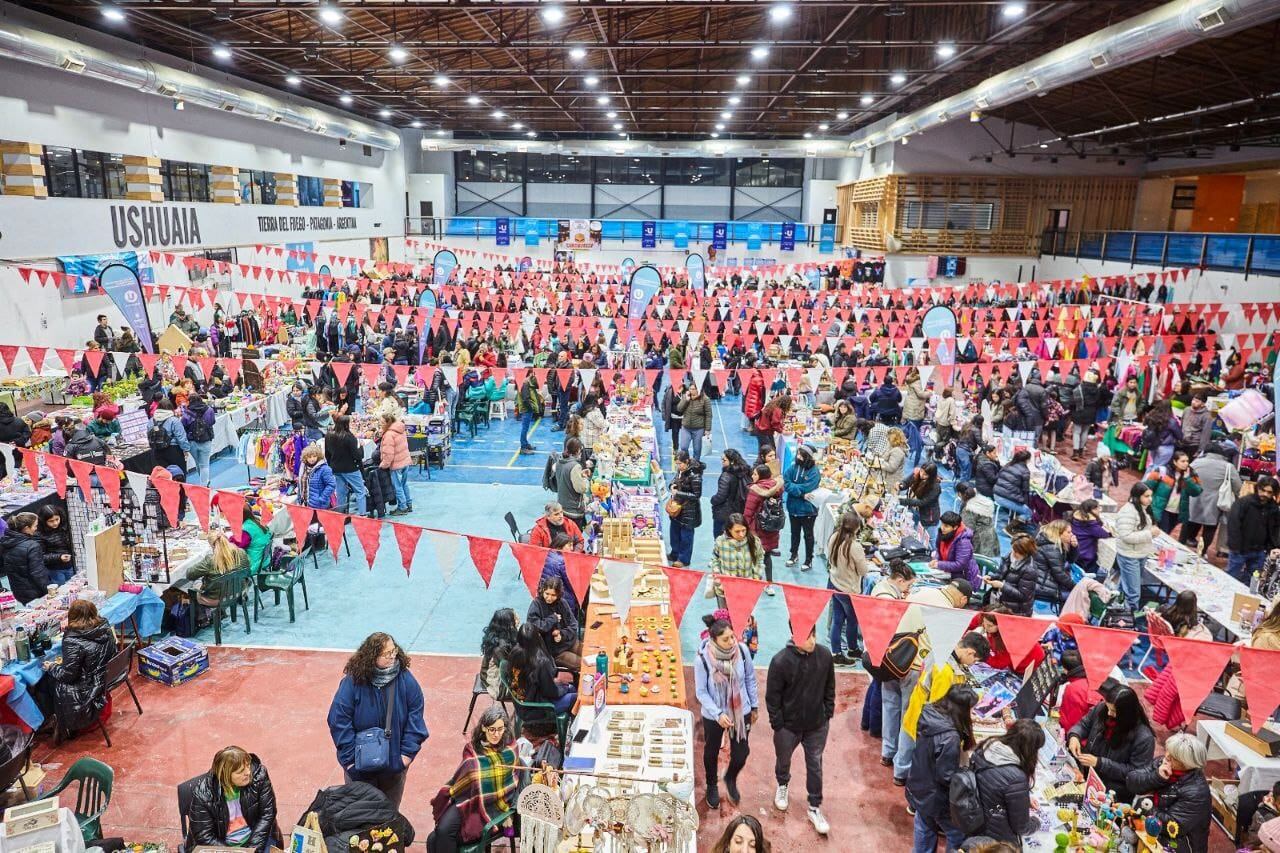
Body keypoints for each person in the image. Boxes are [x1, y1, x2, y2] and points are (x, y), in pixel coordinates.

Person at [326, 632, 429, 808]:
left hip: (393, 766)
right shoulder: (352, 682)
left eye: (393, 651)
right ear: (372, 657)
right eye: (386, 654)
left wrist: (405, 756)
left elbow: (416, 716)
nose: (392, 656)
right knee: (359, 815)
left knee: (389, 813)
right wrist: (351, 761)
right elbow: (338, 720)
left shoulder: (406, 680)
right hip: (359, 769)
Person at [766, 625, 835, 835]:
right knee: (783, 760)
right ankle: (783, 784)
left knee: (815, 765)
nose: (812, 641)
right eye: (807, 637)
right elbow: (772, 697)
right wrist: (778, 724)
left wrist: (827, 713)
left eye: (814, 635)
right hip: (788, 727)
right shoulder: (780, 661)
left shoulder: (824, 656)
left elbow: (830, 687)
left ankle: (814, 806)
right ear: (794, 635)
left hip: (816, 725)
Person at [899, 632, 991, 788]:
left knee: (906, 745)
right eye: (975, 660)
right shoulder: (946, 671)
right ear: (970, 652)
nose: (972, 663)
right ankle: (906, 780)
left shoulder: (943, 651)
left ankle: (900, 773)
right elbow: (940, 705)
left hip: (918, 707)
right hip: (926, 717)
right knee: (918, 757)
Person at [427, 706, 520, 853]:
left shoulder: (510, 747)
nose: (497, 734)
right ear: (483, 727)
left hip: (493, 806)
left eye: (500, 729)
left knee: (439, 837)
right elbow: (464, 778)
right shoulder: (473, 748)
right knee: (439, 833)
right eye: (492, 729)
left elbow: (510, 782)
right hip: (468, 797)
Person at [695, 615, 760, 808]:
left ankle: (730, 777)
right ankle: (711, 785)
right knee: (711, 750)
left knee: (741, 752)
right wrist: (717, 714)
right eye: (726, 639)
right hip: (715, 714)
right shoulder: (703, 660)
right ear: (714, 639)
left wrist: (754, 706)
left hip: (740, 710)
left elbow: (750, 678)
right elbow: (701, 692)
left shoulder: (742, 651)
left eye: (733, 637)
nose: (732, 642)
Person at [907, 684, 979, 853]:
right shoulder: (950, 736)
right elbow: (946, 776)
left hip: (919, 782)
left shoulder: (929, 712)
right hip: (937, 796)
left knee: (924, 826)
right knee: (957, 835)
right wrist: (967, 776)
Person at [1066, 685, 1155, 802]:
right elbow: (1083, 725)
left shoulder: (1144, 738)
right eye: (1108, 708)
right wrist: (1074, 736)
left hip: (1114, 793)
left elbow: (1136, 773)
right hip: (1087, 777)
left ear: (1126, 713)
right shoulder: (1102, 708)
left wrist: (1100, 763)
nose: (1109, 713)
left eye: (1114, 711)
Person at [185, 746, 281, 853]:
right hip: (221, 845)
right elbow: (204, 836)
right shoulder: (203, 794)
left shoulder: (259, 775)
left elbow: (267, 813)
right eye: (240, 772)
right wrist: (232, 851)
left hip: (257, 838)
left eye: (248, 766)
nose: (248, 772)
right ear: (225, 776)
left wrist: (251, 850)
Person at [1125, 733, 1212, 853]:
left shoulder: (1196, 792)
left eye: (1173, 757)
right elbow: (1131, 780)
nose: (1166, 756)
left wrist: (1145, 803)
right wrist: (1156, 777)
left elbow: (1171, 826)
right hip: (1151, 829)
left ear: (1186, 764)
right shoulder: (1162, 763)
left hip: (1178, 844)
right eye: (1167, 751)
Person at [39, 599, 114, 737]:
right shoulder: (104, 627)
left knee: (43, 682)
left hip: (87, 687)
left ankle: (52, 721)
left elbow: (68, 676)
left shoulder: (73, 639)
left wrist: (52, 667)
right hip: (102, 678)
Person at [970, 719, 1045, 847]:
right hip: (997, 834)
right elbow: (1021, 827)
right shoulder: (1016, 777)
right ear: (1030, 749)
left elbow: (996, 790)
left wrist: (1022, 798)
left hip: (975, 817)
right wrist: (1037, 822)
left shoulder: (988, 745)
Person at [826, 511, 869, 664]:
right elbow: (864, 571)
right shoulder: (854, 546)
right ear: (856, 527)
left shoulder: (834, 537)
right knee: (852, 620)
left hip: (834, 582)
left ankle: (836, 652)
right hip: (848, 589)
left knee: (837, 620)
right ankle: (852, 649)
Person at [507, 622, 576, 717]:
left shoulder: (513, 653)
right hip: (537, 707)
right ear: (537, 637)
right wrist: (564, 687)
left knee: (569, 687)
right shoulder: (541, 661)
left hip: (522, 702)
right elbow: (550, 692)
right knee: (576, 697)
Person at [1183, 442, 1240, 555]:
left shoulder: (1196, 462)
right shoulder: (1228, 466)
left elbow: (1187, 479)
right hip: (1214, 504)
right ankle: (1202, 553)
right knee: (1209, 529)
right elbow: (1237, 486)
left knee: (1190, 525)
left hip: (1194, 501)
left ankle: (1183, 547)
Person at [1225, 476, 1280, 585]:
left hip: (1259, 552)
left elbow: (1275, 528)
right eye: (1263, 490)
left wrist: (1274, 546)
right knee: (1230, 579)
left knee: (1251, 583)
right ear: (1258, 488)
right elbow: (1233, 524)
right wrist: (1235, 546)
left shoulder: (1273, 508)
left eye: (1269, 492)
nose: (1265, 494)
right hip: (1240, 550)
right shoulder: (1244, 502)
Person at [1114, 482, 1158, 611]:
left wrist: (1151, 534)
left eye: (1151, 496)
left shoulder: (1142, 509)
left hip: (1139, 554)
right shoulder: (1128, 512)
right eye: (1146, 496)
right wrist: (1149, 533)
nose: (1150, 499)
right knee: (1133, 593)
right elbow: (1126, 536)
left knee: (1125, 587)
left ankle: (1117, 612)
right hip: (1129, 556)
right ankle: (1129, 619)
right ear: (1137, 496)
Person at [526, 576, 580, 670]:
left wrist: (562, 635)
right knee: (583, 664)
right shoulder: (536, 605)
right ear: (542, 590)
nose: (549, 598)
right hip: (554, 651)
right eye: (547, 593)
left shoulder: (562, 603)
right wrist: (552, 619)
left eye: (553, 595)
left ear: (558, 594)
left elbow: (574, 624)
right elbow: (534, 627)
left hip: (569, 642)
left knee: (590, 656)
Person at [1145, 450, 1203, 536]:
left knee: (1165, 533)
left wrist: (1187, 479)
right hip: (1162, 509)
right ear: (1175, 462)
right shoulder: (1162, 471)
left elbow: (1197, 492)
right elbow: (1147, 487)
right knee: (1162, 533)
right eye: (1182, 461)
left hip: (1177, 512)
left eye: (1187, 461)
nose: (1186, 463)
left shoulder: (1191, 474)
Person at [744, 463, 783, 590]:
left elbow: (749, 511)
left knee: (753, 556)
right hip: (772, 528)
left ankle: (754, 583)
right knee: (767, 556)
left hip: (757, 528)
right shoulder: (777, 488)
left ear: (760, 476)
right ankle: (769, 584)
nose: (752, 476)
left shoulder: (756, 489)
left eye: (755, 474)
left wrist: (746, 529)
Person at [783, 445, 821, 572]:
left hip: (807, 510)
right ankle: (794, 555)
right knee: (794, 534)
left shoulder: (814, 472)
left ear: (807, 458)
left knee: (808, 535)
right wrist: (802, 494)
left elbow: (808, 487)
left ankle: (808, 560)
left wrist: (797, 490)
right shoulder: (793, 467)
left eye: (801, 455)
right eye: (798, 454)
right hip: (793, 508)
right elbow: (787, 483)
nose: (798, 457)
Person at [188, 529, 251, 603]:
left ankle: (202, 612)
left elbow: (189, 575)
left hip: (214, 599)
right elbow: (248, 568)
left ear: (212, 546)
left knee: (194, 583)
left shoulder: (210, 560)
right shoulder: (241, 552)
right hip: (238, 592)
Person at [1, 512, 50, 604]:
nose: (36, 528)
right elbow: (38, 574)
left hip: (18, 591)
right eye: (35, 526)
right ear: (26, 528)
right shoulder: (32, 546)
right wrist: (48, 591)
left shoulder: (4, 542)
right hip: (35, 593)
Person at [985, 533, 1039, 616]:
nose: (1013, 553)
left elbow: (1023, 596)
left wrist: (1002, 586)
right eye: (1013, 549)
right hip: (1001, 602)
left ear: (1025, 553)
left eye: (1018, 552)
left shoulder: (1030, 570)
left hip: (1017, 611)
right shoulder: (1008, 557)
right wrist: (991, 577)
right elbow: (1000, 574)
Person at [668, 450, 704, 568]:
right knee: (674, 532)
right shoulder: (681, 470)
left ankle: (684, 559)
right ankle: (675, 553)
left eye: (680, 464)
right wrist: (671, 485)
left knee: (686, 536)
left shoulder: (695, 476)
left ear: (687, 461)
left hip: (689, 511)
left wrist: (678, 493)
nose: (678, 466)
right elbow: (675, 480)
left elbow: (696, 495)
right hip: (678, 508)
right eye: (677, 464)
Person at [326, 415, 367, 516]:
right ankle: (362, 514)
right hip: (350, 469)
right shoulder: (349, 437)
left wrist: (331, 465)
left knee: (341, 493)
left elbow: (327, 454)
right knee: (360, 491)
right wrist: (361, 447)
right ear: (346, 424)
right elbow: (358, 456)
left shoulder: (329, 435)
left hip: (335, 469)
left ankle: (341, 515)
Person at [1056, 649, 1101, 736]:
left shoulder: (1072, 688)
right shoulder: (1095, 678)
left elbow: (1069, 722)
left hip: (1078, 737)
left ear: (1065, 669)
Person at [1034, 519, 1077, 608]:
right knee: (1075, 596)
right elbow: (1059, 575)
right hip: (1042, 585)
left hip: (1041, 579)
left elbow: (1071, 560)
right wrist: (1076, 587)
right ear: (1059, 533)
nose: (1072, 535)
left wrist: (1074, 547)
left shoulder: (1052, 542)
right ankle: (1064, 619)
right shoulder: (1052, 548)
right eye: (1068, 532)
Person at [710, 513, 765, 583]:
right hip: (726, 587)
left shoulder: (754, 541)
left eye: (743, 530)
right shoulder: (720, 541)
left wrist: (757, 577)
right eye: (737, 531)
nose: (741, 534)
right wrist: (718, 578)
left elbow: (760, 559)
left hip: (748, 587)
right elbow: (715, 559)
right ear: (729, 530)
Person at [931, 510, 979, 589]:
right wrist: (936, 559)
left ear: (955, 527)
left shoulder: (963, 542)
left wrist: (939, 564)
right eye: (942, 524)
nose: (942, 528)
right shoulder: (943, 533)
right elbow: (938, 550)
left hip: (964, 580)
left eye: (946, 526)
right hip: (949, 574)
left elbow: (960, 565)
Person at [710, 449, 752, 537]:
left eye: (724, 460)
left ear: (732, 461)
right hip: (739, 511)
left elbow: (721, 496)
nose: (722, 462)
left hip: (724, 514)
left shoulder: (726, 476)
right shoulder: (745, 472)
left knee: (720, 539)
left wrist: (713, 500)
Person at [480, 608, 518, 702]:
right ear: (508, 624)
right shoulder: (500, 648)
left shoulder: (501, 635)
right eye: (515, 618)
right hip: (495, 679)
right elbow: (507, 668)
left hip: (500, 667)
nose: (518, 619)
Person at [379, 412, 413, 516]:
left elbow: (389, 454)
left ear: (387, 423)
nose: (380, 424)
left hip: (396, 465)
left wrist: (383, 465)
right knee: (404, 484)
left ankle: (402, 507)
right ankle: (408, 504)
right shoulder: (400, 429)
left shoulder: (389, 434)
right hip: (405, 461)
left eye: (382, 422)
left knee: (397, 486)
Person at [554, 438, 591, 530]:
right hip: (573, 509)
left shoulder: (560, 461)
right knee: (576, 537)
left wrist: (580, 474)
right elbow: (581, 488)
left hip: (562, 505)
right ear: (578, 450)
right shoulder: (575, 466)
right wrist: (585, 479)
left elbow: (565, 477)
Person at [900, 463, 943, 542]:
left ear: (931, 476)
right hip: (914, 511)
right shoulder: (917, 474)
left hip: (928, 517)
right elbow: (906, 482)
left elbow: (922, 502)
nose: (922, 475)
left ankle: (932, 553)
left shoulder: (935, 487)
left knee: (929, 540)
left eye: (925, 474)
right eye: (921, 471)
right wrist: (901, 485)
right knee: (913, 532)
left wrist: (903, 501)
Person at [956, 482, 998, 559]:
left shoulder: (969, 508)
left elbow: (968, 530)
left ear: (959, 494)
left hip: (979, 541)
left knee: (974, 566)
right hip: (989, 538)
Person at [182, 393, 217, 486]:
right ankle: (204, 485)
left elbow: (183, 425)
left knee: (198, 463)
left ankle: (204, 481)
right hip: (206, 439)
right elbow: (212, 421)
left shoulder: (186, 412)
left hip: (192, 441)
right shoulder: (209, 410)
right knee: (204, 464)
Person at [1069, 499, 1111, 576]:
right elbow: (1104, 534)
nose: (1099, 510)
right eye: (1097, 508)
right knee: (1087, 576)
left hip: (1075, 551)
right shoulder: (1090, 523)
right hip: (1086, 555)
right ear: (1091, 510)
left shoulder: (1076, 517)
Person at [1069, 370, 1103, 460]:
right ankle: (1081, 451)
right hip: (1091, 413)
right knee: (1085, 432)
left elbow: (1072, 402)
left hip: (1079, 412)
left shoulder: (1079, 388)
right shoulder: (1097, 390)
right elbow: (1098, 402)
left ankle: (1075, 452)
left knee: (1076, 432)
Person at [37, 505, 75, 584]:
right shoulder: (39, 534)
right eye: (51, 521)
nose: (55, 523)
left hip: (70, 564)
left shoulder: (64, 526)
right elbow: (41, 556)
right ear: (44, 521)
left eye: (57, 519)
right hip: (55, 569)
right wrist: (59, 557)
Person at [993, 449, 1033, 526]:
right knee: (1028, 512)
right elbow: (1025, 490)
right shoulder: (1025, 471)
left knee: (1020, 503)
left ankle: (1014, 521)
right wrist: (1026, 503)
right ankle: (1010, 528)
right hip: (1005, 499)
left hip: (996, 494)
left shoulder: (1008, 465)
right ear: (1027, 460)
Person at [1142, 399, 1183, 473]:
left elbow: (1145, 424)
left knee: (1153, 465)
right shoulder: (1171, 421)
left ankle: (1145, 482)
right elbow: (1180, 436)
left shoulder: (1151, 416)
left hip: (1153, 445)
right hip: (1165, 447)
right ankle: (1147, 482)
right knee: (1157, 468)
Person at [150, 402, 192, 473]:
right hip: (173, 450)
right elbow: (181, 437)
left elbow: (150, 436)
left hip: (157, 450)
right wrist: (186, 449)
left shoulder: (151, 421)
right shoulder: (174, 420)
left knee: (164, 476)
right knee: (179, 474)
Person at [676, 381, 713, 459]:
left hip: (699, 429)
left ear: (698, 390)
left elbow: (709, 415)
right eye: (690, 389)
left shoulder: (705, 399)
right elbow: (679, 409)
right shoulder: (685, 396)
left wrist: (707, 429)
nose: (691, 391)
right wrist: (686, 400)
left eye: (693, 389)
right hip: (686, 427)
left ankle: (695, 465)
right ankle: (687, 463)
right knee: (683, 447)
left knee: (697, 450)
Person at [299, 444, 337, 511]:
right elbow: (301, 484)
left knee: (322, 521)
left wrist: (322, 498)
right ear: (305, 457)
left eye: (314, 456)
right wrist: (300, 498)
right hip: (307, 503)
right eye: (309, 457)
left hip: (320, 505)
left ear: (318, 456)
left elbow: (331, 484)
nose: (312, 459)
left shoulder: (324, 469)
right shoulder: (303, 468)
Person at [1179, 393, 1215, 458]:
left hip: (1194, 444)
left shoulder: (1206, 416)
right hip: (1183, 442)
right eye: (1193, 400)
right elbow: (1182, 425)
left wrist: (1200, 450)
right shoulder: (1186, 410)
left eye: (1197, 401)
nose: (1193, 402)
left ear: (1203, 404)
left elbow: (1206, 434)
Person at [515, 373, 542, 454]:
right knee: (525, 428)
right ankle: (523, 448)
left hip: (527, 409)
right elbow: (525, 399)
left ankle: (525, 444)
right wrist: (531, 408)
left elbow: (537, 386)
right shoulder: (525, 384)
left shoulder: (527, 382)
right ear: (530, 374)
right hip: (526, 409)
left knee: (525, 428)